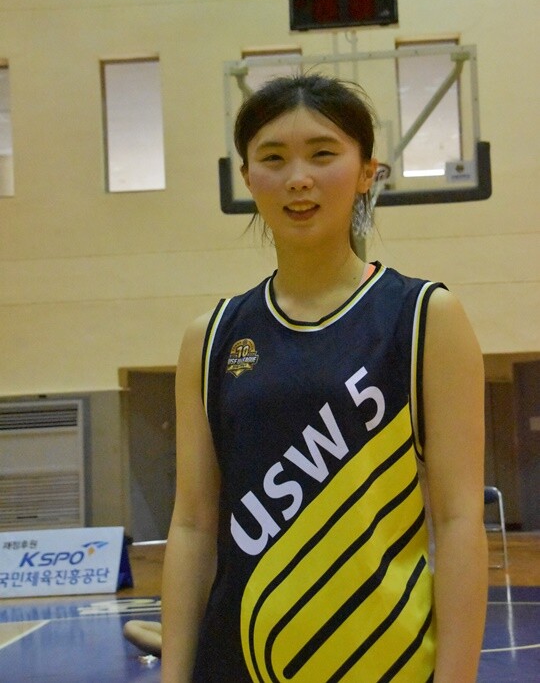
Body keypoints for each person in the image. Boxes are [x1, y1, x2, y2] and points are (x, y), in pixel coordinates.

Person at [160, 73, 487, 682]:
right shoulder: (211, 337)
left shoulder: (424, 317)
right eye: (273, 158)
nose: (298, 178)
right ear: (246, 177)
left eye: (323, 153)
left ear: (367, 172)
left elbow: (459, 520)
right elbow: (192, 526)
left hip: (389, 664)